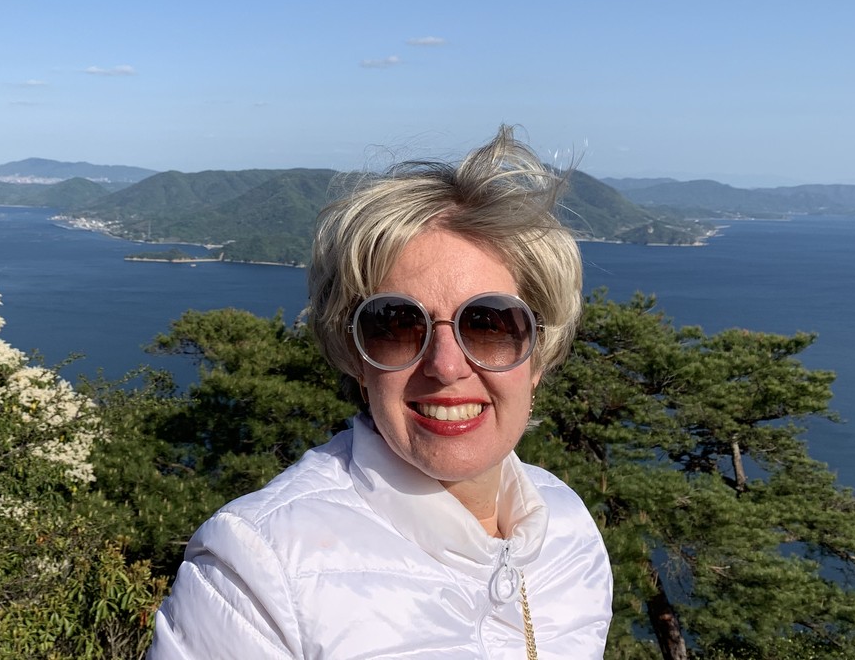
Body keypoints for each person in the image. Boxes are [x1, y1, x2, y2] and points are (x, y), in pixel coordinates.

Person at [147, 127, 612, 659]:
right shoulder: (259, 569)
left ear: (538, 352)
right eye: (395, 325)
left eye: (488, 324)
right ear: (354, 356)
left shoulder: (568, 530)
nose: (445, 365)